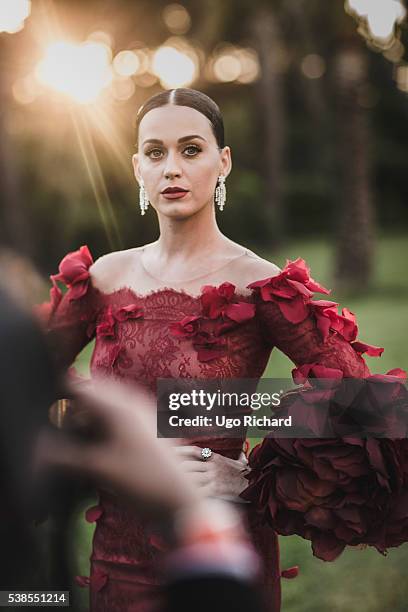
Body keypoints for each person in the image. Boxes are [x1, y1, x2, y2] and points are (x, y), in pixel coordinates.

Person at [37, 87, 407, 612]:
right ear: (136, 167)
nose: (172, 169)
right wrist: (85, 436)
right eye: (155, 152)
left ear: (223, 162)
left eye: (190, 150)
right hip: (116, 558)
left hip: (223, 550)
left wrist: (252, 472)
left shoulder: (259, 285)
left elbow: (371, 408)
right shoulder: (104, 276)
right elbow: (23, 372)